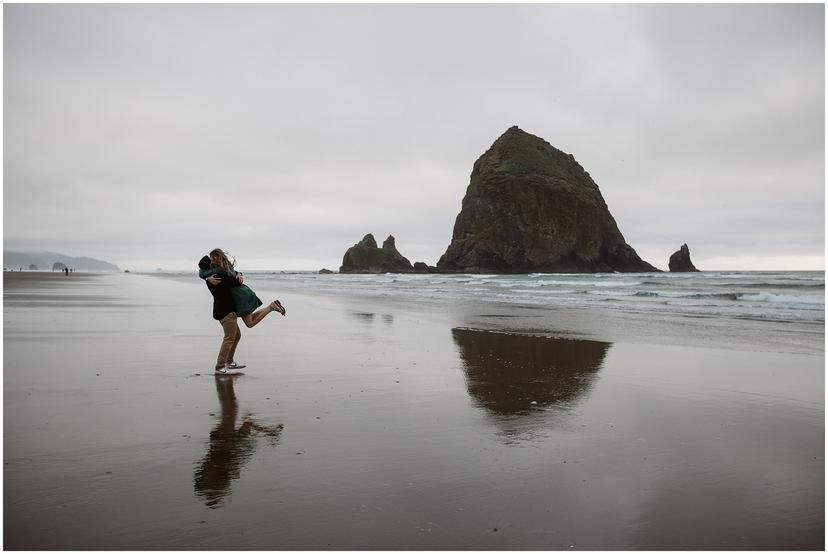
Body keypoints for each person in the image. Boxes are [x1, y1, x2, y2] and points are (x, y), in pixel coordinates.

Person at [199, 249, 285, 374]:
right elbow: (235, 280)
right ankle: (219, 366)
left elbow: (232, 275)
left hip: (226, 310)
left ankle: (229, 361)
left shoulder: (215, 275)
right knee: (229, 338)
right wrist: (238, 275)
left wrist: (238, 273)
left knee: (236, 336)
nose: (213, 262)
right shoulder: (219, 276)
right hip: (225, 311)